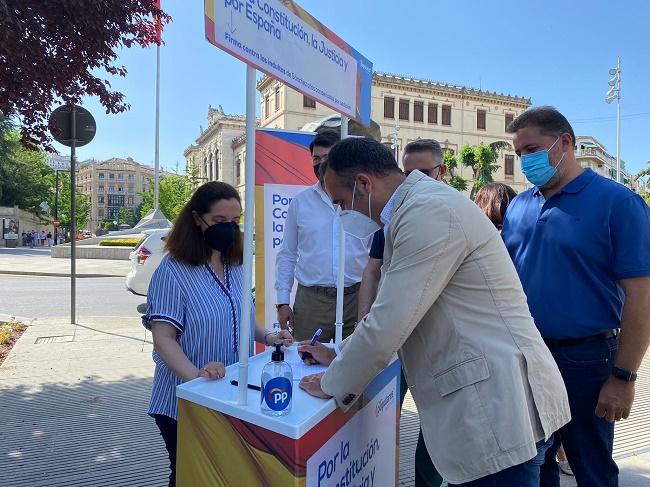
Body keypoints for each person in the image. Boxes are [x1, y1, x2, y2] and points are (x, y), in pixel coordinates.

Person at [298, 137, 570, 486]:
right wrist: (337, 351)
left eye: (340, 203)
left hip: (496, 413)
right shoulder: (415, 208)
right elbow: (393, 312)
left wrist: (332, 381)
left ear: (364, 184)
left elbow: (387, 325)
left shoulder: (427, 212)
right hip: (502, 408)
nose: (341, 214)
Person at [501, 106, 650, 487]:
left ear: (564, 143)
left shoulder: (618, 203)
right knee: (536, 465)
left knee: (592, 469)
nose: (524, 161)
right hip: (526, 355)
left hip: (586, 360)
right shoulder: (519, 205)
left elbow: (641, 296)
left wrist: (624, 377)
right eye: (519, 154)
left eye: (531, 149)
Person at [143, 181, 293, 487]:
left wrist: (270, 337)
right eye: (219, 221)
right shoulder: (172, 270)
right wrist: (195, 375)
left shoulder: (236, 264)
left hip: (232, 395)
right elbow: (164, 338)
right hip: (184, 401)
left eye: (235, 221)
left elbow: (245, 322)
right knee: (189, 475)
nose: (229, 229)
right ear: (198, 219)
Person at [357, 139, 447, 487]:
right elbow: (372, 270)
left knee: (434, 428)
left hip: (436, 345)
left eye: (423, 173)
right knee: (384, 415)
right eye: (408, 174)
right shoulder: (390, 222)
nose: (414, 181)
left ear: (441, 172)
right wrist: (365, 317)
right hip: (397, 342)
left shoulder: (449, 215)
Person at [275, 129, 370, 342]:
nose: (321, 163)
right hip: (312, 302)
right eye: (316, 158)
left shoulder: (363, 201)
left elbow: (376, 255)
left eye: (327, 158)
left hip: (356, 300)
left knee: (355, 367)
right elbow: (287, 254)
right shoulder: (300, 203)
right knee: (306, 364)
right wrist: (282, 302)